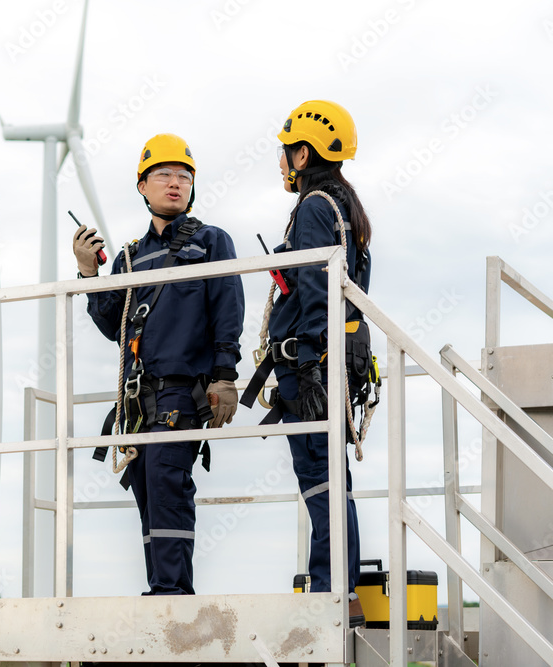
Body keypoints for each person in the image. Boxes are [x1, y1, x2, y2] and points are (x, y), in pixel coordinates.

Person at [72, 133, 245, 595]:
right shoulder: (129, 257)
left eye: (184, 177)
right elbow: (113, 324)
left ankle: (170, 594)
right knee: (148, 488)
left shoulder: (211, 242)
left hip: (181, 391)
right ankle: (167, 589)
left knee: (167, 481)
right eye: (164, 175)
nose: (175, 183)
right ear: (143, 186)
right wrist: (89, 273)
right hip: (137, 398)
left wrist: (226, 376)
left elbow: (228, 308)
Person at [241, 100, 373, 626]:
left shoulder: (316, 205)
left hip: (311, 365)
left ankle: (331, 589)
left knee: (319, 477)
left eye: (284, 151)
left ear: (302, 153)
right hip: (334, 360)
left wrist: (312, 361)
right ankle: (341, 586)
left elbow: (319, 285)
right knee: (330, 478)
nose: (280, 162)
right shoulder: (348, 208)